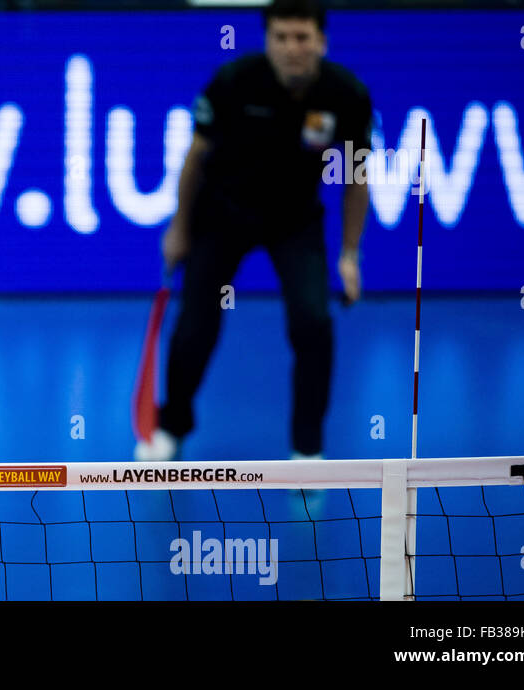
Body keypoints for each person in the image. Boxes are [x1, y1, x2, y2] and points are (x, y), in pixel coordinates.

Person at [137, 0, 371, 463]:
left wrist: (349, 255)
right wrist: (179, 230)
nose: (291, 48)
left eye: (301, 37)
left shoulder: (347, 95)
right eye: (281, 37)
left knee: (313, 324)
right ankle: (172, 428)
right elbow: (193, 160)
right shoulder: (234, 81)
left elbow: (357, 178)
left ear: (321, 41)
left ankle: (307, 450)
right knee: (194, 329)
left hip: (295, 221)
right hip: (223, 217)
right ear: (268, 41)